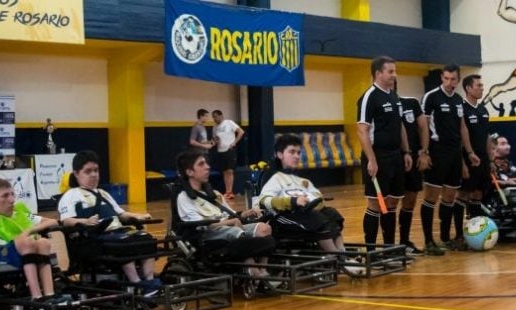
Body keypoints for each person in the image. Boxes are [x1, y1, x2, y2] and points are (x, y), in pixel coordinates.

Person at [58, 150, 161, 295]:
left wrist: (139, 216)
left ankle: (149, 282)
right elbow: (66, 221)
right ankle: (136, 283)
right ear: (76, 174)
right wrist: (85, 221)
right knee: (123, 244)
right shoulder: (70, 196)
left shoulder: (104, 193)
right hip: (96, 237)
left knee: (146, 238)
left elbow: (121, 214)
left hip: (118, 232)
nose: (94, 174)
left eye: (96, 170)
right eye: (88, 171)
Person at [259, 134, 363, 276]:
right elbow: (264, 201)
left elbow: (318, 197)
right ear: (279, 154)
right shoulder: (274, 178)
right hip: (283, 219)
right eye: (291, 152)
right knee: (315, 218)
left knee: (331, 213)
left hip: (306, 215)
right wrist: (293, 202)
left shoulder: (302, 180)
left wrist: (312, 204)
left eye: (298, 152)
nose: (296, 156)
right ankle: (339, 260)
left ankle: (341, 253)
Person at [175, 149, 277, 281]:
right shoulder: (184, 198)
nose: (207, 167)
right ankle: (253, 270)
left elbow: (231, 214)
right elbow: (200, 225)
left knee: (265, 228)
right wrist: (231, 222)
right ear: (189, 172)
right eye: (201, 164)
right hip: (209, 234)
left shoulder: (215, 194)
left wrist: (245, 213)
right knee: (235, 231)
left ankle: (263, 268)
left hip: (230, 227)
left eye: (206, 163)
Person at [419, 64, 479, 254]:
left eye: (453, 79)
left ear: (458, 80)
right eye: (446, 79)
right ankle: (429, 241)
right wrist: (424, 152)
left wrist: (469, 153)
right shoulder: (432, 97)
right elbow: (424, 126)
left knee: (450, 197)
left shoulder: (459, 100)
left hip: (454, 153)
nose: (450, 83)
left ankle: (446, 238)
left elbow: (462, 128)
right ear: (442, 78)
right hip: (437, 151)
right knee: (430, 197)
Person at [356, 55, 413, 249]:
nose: (394, 75)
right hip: (377, 157)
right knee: (374, 204)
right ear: (378, 73)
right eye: (390, 71)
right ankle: (370, 251)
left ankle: (390, 249)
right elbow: (362, 131)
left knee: (392, 203)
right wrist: (371, 160)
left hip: (395, 156)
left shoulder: (393, 96)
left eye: (394, 71)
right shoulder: (369, 97)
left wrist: (406, 152)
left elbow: (401, 126)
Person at [459, 74, 491, 240]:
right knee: (463, 194)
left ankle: (476, 232)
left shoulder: (483, 110)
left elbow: (487, 136)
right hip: (468, 159)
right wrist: (464, 160)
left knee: (478, 193)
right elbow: (459, 137)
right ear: (468, 88)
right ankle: (458, 233)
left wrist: (490, 160)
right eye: (478, 85)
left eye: (482, 85)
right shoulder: (462, 109)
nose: (481, 88)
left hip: (483, 159)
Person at [397, 88, 428, 256]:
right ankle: (387, 247)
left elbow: (423, 127)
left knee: (410, 201)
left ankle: (404, 241)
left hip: (413, 157)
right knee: (389, 203)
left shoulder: (411, 103)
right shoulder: (376, 102)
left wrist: (424, 152)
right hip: (393, 159)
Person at [211, 109, 245, 200]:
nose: (214, 119)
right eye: (213, 117)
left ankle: (230, 192)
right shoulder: (214, 128)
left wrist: (234, 142)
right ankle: (227, 191)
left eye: (216, 116)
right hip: (220, 151)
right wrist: (214, 142)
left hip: (229, 150)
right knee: (225, 171)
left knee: (230, 171)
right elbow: (215, 139)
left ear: (221, 115)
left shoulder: (229, 123)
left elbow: (241, 132)